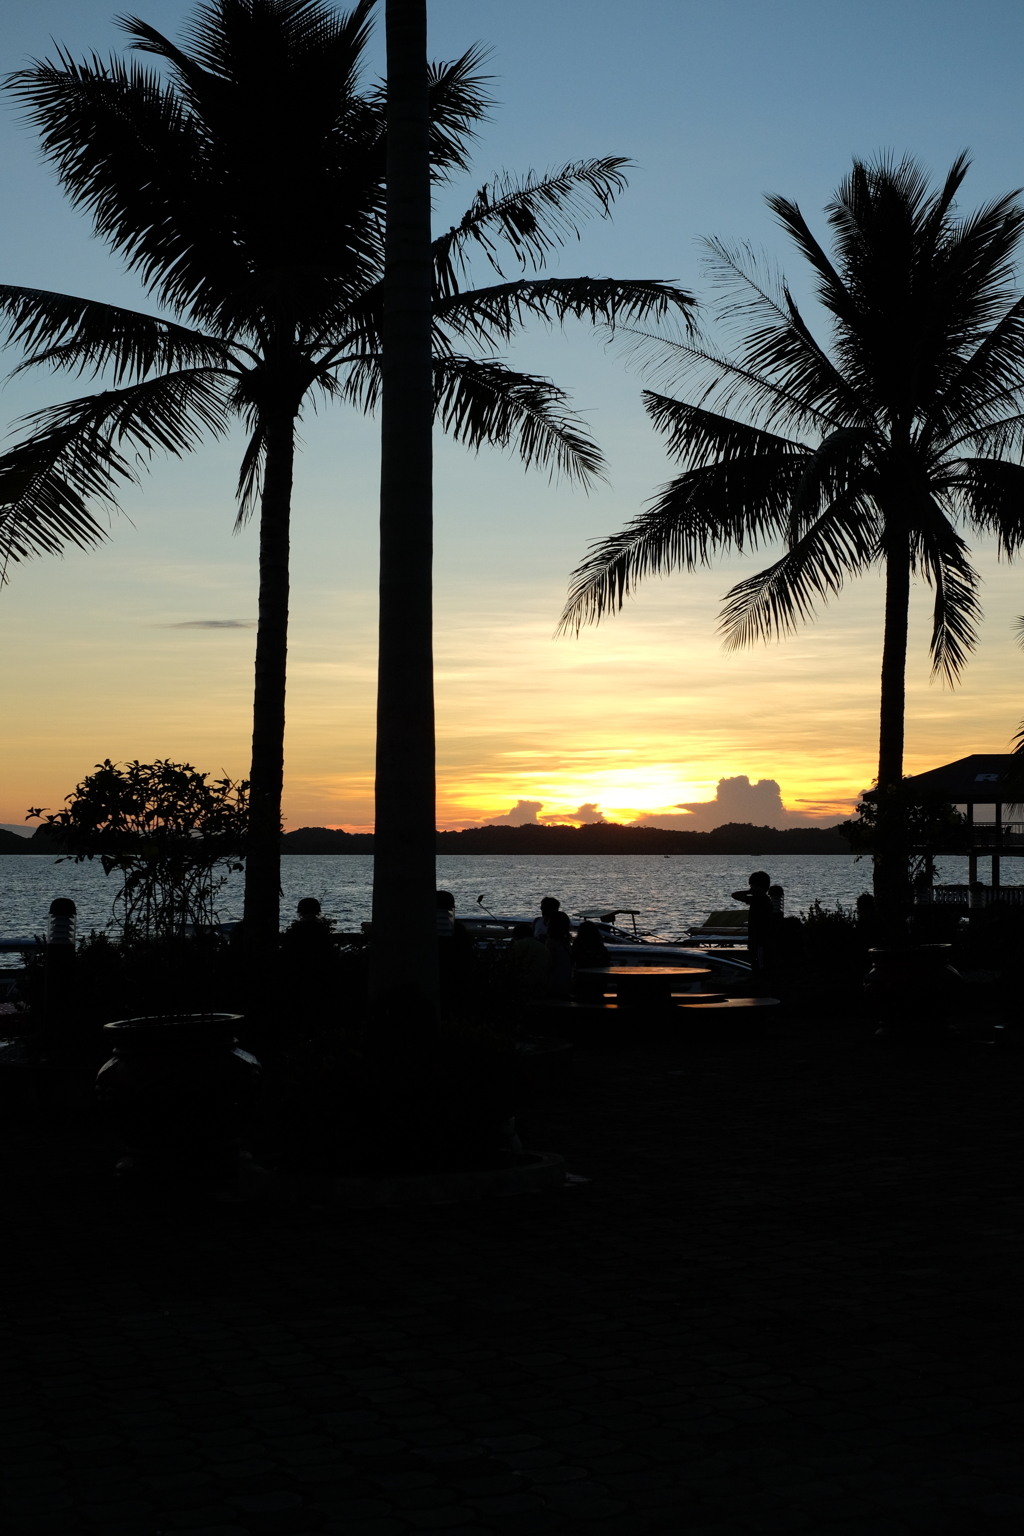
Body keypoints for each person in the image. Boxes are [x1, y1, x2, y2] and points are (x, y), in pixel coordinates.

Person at [730, 870, 778, 976]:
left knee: (760, 970)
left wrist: (749, 892)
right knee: (757, 967)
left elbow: (735, 895)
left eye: (752, 885)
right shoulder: (762, 899)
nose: (750, 887)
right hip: (757, 941)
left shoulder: (759, 899)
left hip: (760, 942)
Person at [508, 922, 552, 997]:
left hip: (521, 986)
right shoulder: (544, 948)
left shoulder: (517, 945)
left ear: (516, 936)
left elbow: (510, 966)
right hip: (542, 988)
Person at [545, 910, 574, 998]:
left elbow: (548, 964)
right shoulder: (566, 943)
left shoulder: (551, 942)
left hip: (554, 985)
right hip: (566, 983)